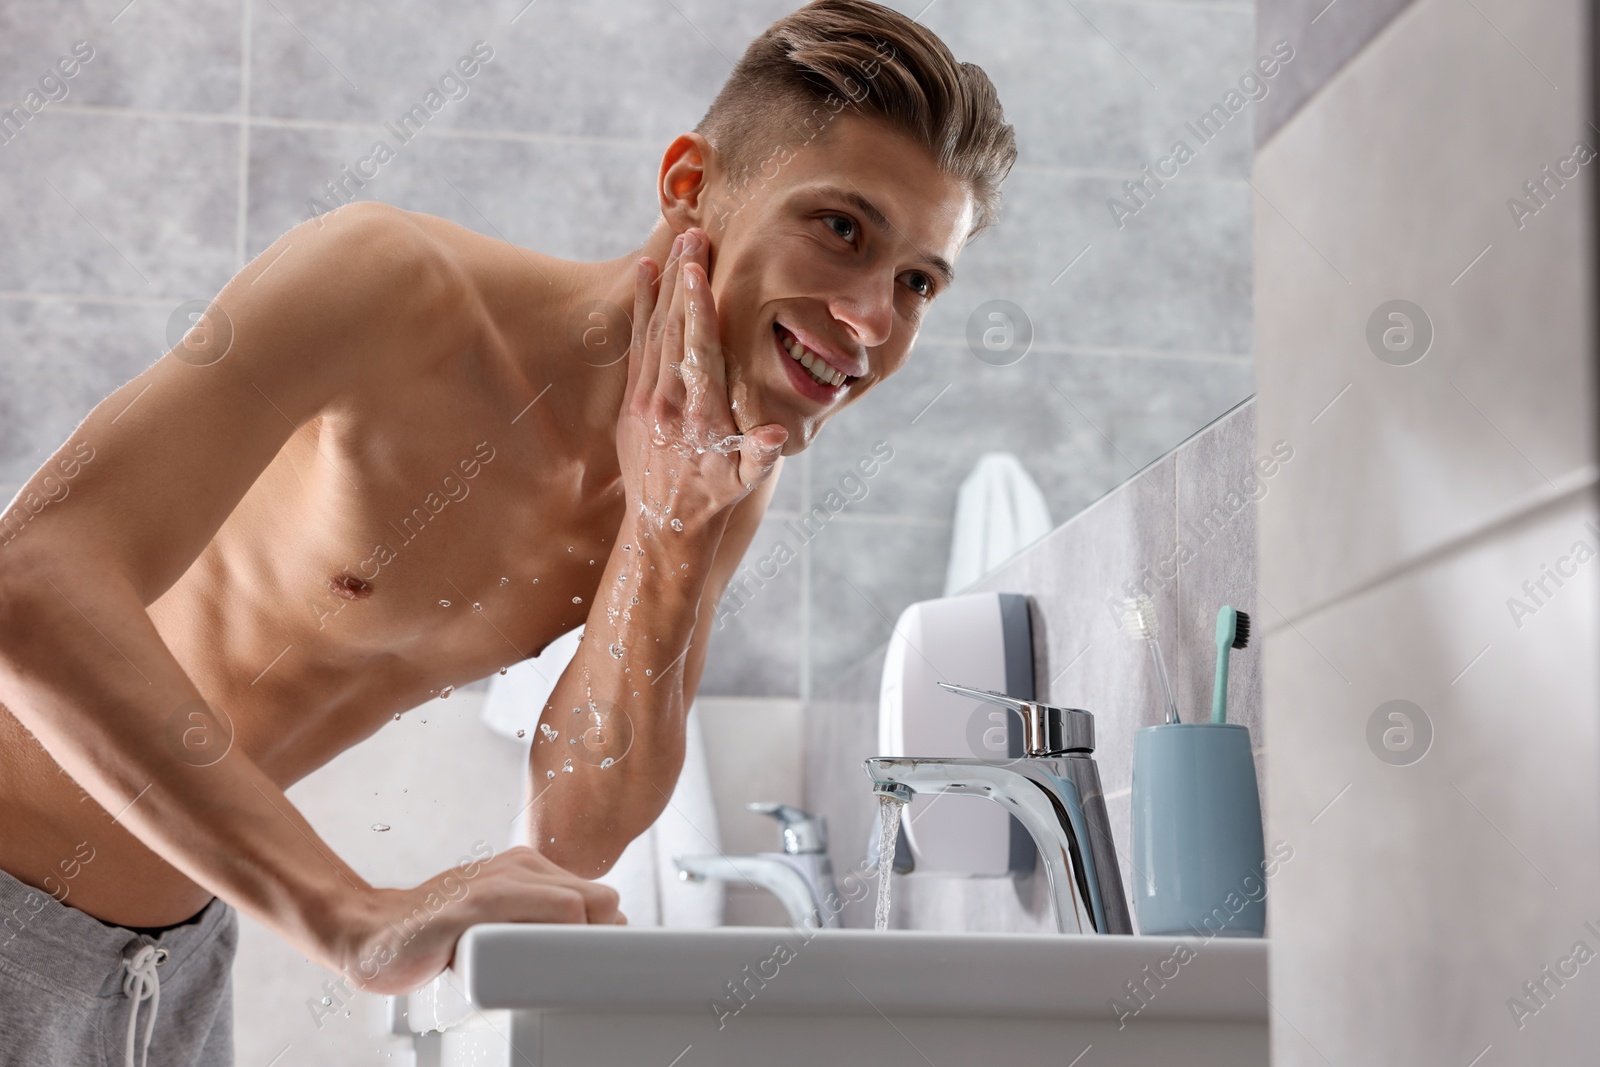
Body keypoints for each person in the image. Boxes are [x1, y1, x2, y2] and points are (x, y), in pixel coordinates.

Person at [0, 1, 1014, 1062]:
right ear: (688, 187)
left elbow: (577, 833)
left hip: (169, 965)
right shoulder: (393, 286)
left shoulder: (709, 476)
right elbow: (30, 583)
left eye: (917, 282)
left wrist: (669, 533)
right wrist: (348, 913)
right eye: (840, 227)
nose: (871, 321)